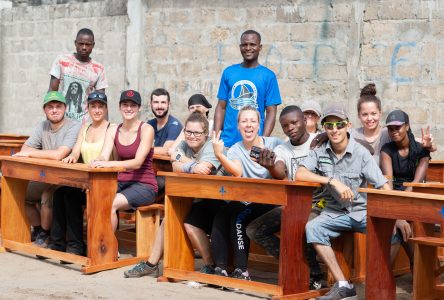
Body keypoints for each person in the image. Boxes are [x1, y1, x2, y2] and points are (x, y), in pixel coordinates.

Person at [295, 104, 391, 300]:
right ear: (325, 129)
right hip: (335, 212)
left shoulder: (361, 153)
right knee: (312, 227)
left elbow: (383, 185)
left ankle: (383, 283)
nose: (334, 130)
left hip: (362, 211)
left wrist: (398, 218)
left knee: (394, 231)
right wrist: (331, 181)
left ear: (347, 125)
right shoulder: (320, 152)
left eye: (339, 125)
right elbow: (300, 173)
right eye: (329, 126)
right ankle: (343, 285)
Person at [124, 112, 224, 278]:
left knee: (190, 225)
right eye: (188, 132)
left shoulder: (211, 147)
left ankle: (209, 264)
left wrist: (182, 160)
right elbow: (174, 162)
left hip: (220, 200)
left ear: (206, 134)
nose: (192, 136)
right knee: (169, 218)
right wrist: (191, 166)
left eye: (197, 133)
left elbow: (204, 170)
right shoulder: (185, 144)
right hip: (197, 197)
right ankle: (151, 264)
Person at [245, 105, 323, 289]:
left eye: (295, 122)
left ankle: (314, 274)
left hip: (321, 203)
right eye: (286, 126)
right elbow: (279, 170)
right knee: (254, 230)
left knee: (303, 223)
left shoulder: (318, 141)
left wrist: (325, 134)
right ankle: (294, 264)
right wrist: (270, 165)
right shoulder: (283, 148)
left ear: (304, 121)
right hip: (294, 204)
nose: (291, 128)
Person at [211, 105, 282, 280]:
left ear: (259, 125)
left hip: (272, 201)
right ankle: (220, 268)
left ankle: (242, 270)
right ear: (238, 126)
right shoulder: (236, 148)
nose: (248, 125)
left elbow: (282, 170)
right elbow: (237, 172)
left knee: (238, 217)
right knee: (221, 214)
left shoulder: (274, 144)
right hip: (249, 200)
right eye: (244, 121)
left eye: (252, 121)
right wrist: (220, 155)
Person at [48, 92, 113, 256]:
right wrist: (71, 157)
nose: (97, 110)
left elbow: (105, 155)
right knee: (60, 193)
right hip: (86, 181)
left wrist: (97, 165)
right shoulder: (84, 128)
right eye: (93, 106)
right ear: (88, 108)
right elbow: (76, 152)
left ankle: (75, 246)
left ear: (105, 109)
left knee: (70, 197)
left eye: (100, 106)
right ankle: (57, 243)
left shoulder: (112, 128)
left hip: (106, 182)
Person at [14, 91, 81, 247]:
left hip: (68, 179)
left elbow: (59, 155)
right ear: (45, 110)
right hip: (46, 176)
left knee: (46, 196)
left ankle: (46, 234)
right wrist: (34, 153)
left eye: (58, 106)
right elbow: (25, 149)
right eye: (50, 107)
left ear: (65, 108)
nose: (54, 110)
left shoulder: (74, 125)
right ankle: (38, 230)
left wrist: (32, 154)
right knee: (21, 194)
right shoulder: (42, 126)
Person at [91, 90, 157, 235]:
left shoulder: (146, 129)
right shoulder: (113, 129)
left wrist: (109, 164)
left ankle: (108, 248)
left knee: (110, 204)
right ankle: (96, 244)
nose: (128, 108)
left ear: (139, 108)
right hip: (121, 182)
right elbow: (104, 154)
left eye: (133, 105)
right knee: (95, 197)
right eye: (125, 104)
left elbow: (137, 163)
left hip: (144, 185)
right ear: (119, 107)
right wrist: (98, 160)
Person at [214, 29, 282, 148]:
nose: (248, 48)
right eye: (245, 44)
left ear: (260, 47)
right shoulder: (229, 72)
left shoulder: (268, 76)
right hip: (227, 142)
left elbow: (271, 111)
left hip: (253, 143)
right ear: (240, 47)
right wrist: (216, 136)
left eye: (252, 44)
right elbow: (221, 106)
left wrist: (262, 140)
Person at [380, 109, 430, 265]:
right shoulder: (387, 150)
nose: (394, 132)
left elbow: (414, 185)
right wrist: (397, 215)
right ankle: (415, 267)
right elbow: (388, 183)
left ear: (407, 126)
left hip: (415, 196)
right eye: (390, 128)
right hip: (393, 195)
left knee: (400, 227)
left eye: (398, 127)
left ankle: (384, 275)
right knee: (400, 228)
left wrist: (399, 215)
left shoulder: (421, 150)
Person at [49, 28, 108, 122]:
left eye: (88, 44)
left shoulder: (98, 68)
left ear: (93, 45)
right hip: (61, 120)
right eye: (81, 43)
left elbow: (101, 101)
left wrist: (105, 127)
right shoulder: (62, 60)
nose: (84, 47)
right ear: (75, 43)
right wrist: (50, 120)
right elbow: (52, 92)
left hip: (85, 123)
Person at [147, 88, 183, 156]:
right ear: (151, 104)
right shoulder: (149, 124)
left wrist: (142, 150)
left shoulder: (175, 125)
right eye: (156, 102)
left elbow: (166, 150)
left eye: (163, 102)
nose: (159, 106)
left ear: (169, 104)